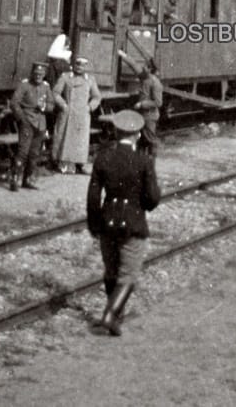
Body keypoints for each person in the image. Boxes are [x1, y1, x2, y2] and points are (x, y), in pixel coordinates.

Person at [86, 109, 161, 337]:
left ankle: (116, 318)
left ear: (117, 132)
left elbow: (92, 195)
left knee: (111, 271)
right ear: (138, 134)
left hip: (107, 222)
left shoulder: (103, 158)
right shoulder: (144, 160)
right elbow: (153, 198)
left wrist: (94, 223)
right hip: (133, 224)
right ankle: (110, 315)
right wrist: (144, 207)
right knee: (128, 275)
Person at [52, 55, 103, 174]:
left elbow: (97, 96)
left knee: (80, 140)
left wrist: (89, 107)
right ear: (73, 65)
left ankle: (78, 163)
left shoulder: (90, 79)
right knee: (63, 136)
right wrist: (63, 105)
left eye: (82, 65)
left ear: (86, 67)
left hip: (82, 114)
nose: (79, 67)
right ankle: (62, 163)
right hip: (67, 112)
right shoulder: (65, 77)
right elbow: (55, 93)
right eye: (77, 64)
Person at [9, 62, 53, 191]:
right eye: (36, 73)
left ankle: (27, 180)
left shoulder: (46, 87)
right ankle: (15, 179)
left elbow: (51, 105)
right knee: (22, 152)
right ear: (32, 73)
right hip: (27, 122)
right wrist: (21, 118)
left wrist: (45, 107)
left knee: (34, 154)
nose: (38, 76)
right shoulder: (25, 85)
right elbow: (14, 103)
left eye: (41, 74)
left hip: (40, 124)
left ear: (44, 75)